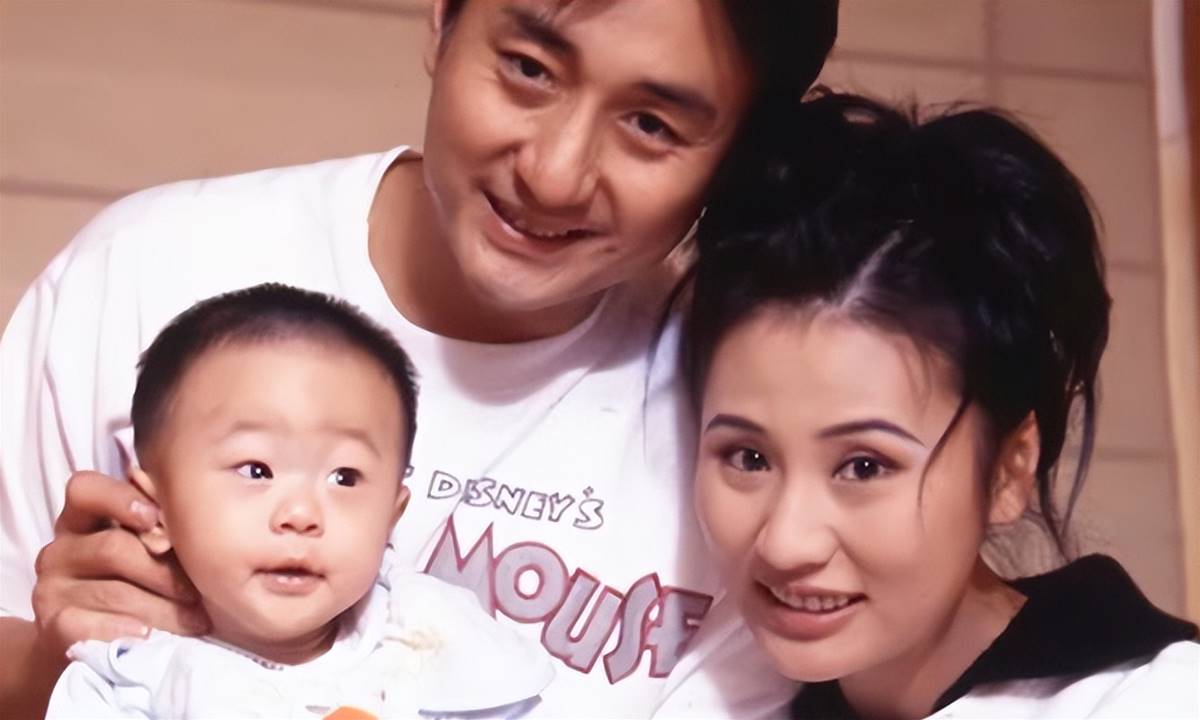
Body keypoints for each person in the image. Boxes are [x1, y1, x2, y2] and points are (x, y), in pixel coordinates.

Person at [0, 1, 838, 717]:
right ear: (443, 18)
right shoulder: (148, 271)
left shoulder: (757, 426)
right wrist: (66, 668)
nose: (554, 175)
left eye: (650, 125)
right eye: (529, 69)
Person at [683, 92, 1200, 719]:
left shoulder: (1151, 700)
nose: (786, 543)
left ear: (1008, 471)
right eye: (748, 457)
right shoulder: (714, 695)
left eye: (865, 466)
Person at [45, 283, 553, 718]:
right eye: (256, 471)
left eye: (345, 477)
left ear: (391, 518)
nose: (302, 515)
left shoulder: (441, 644)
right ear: (157, 514)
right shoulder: (128, 685)